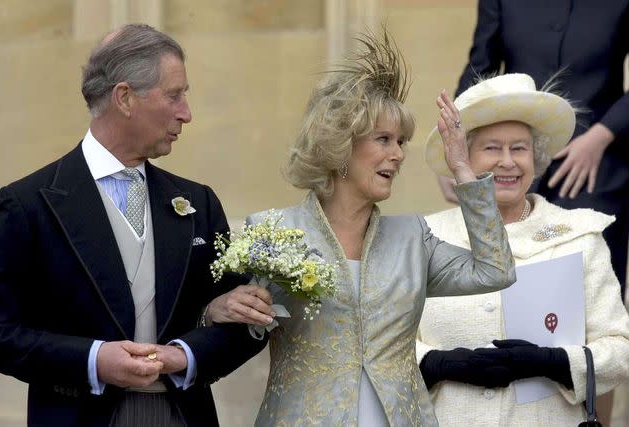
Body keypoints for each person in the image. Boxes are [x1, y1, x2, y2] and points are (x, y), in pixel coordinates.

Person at [206, 31, 516, 426]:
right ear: (339, 147)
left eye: (401, 141)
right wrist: (217, 310)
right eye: (383, 139)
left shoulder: (412, 238)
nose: (398, 154)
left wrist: (462, 170)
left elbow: (496, 270)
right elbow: (227, 329)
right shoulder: (271, 231)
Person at [0, 24, 271, 427]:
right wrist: (93, 360)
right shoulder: (29, 203)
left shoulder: (199, 202)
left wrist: (185, 355)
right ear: (124, 97)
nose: (186, 113)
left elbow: (244, 322)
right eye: (174, 95)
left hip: (182, 415)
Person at [418, 73, 629, 426]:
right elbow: (385, 344)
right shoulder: (426, 238)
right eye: (491, 148)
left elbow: (620, 349)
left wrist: (557, 362)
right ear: (464, 157)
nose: (507, 161)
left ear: (536, 158)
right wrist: (435, 363)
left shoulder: (580, 237)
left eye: (519, 148)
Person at [439, 0, 629, 300]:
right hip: (511, 163)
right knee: (505, 290)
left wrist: (602, 135)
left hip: (596, 168)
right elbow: (481, 69)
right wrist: (452, 149)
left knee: (590, 293)